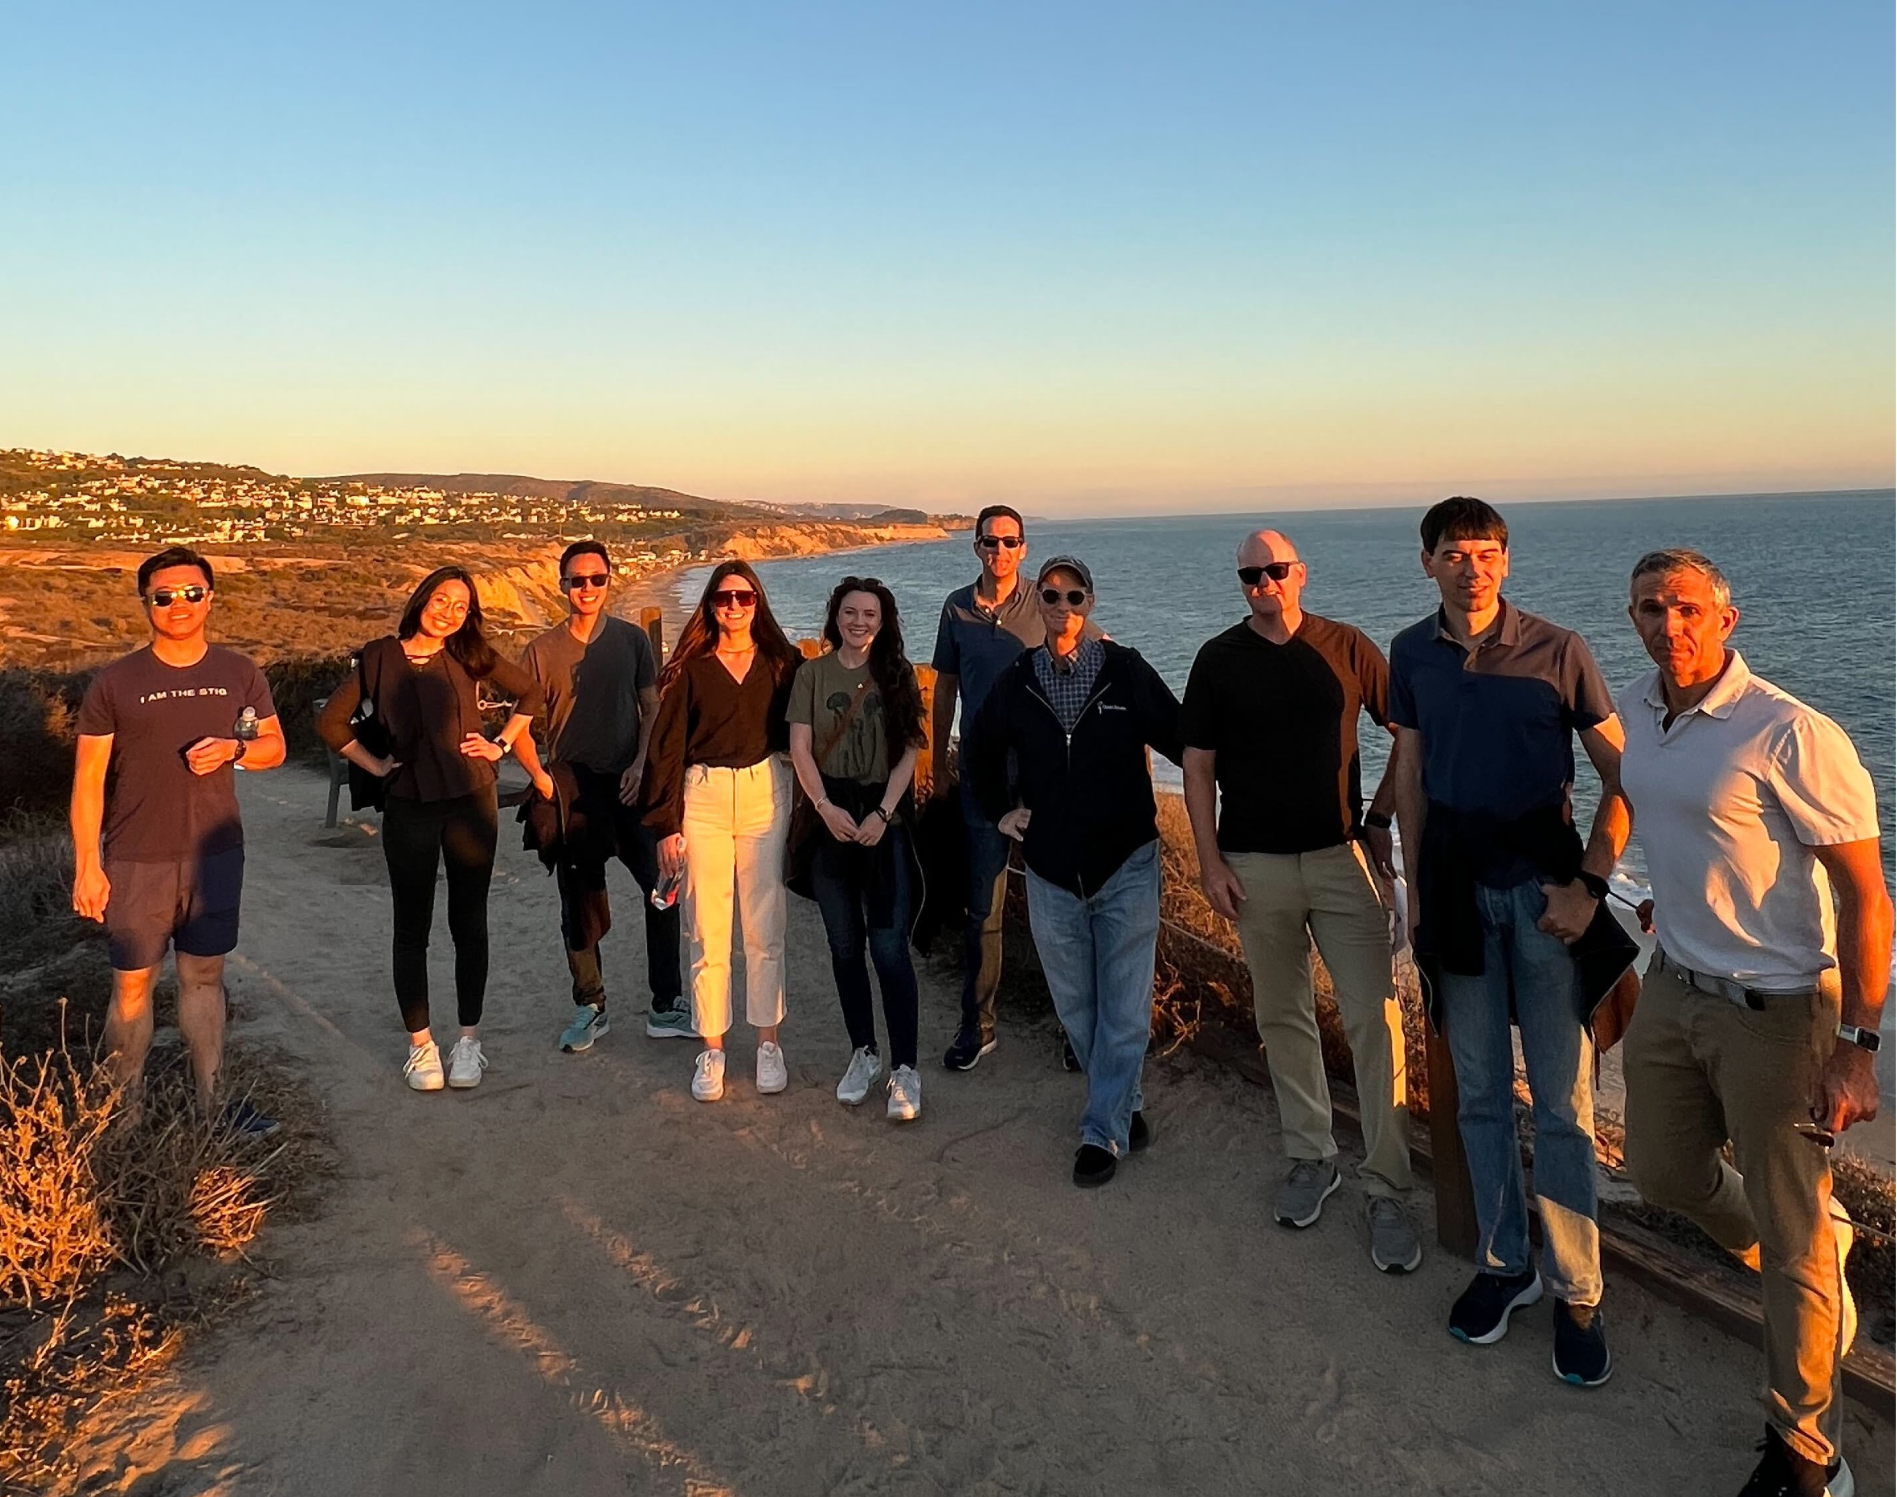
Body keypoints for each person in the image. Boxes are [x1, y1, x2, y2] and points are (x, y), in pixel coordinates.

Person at [1613, 549, 1890, 1497]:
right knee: (1658, 1170)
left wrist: (1859, 1044)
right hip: (1673, 984)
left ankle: (1809, 1450)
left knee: (1790, 1237)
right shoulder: (1641, 714)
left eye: (1685, 607)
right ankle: (1816, 1245)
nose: (1667, 624)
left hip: (1778, 1011)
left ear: (1726, 619)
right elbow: (1660, 816)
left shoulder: (1790, 732)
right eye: (1650, 608)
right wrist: (1666, 895)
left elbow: (1864, 896)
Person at [1388, 496, 1630, 1387]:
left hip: (1541, 894)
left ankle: (1577, 1286)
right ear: (1427, 563)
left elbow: (1621, 775)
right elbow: (1408, 774)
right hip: (1452, 891)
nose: (1471, 567)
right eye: (1453, 552)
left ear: (1506, 561)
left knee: (1563, 1103)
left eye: (1485, 551)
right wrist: (1413, 890)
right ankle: (1504, 1263)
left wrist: (1589, 885)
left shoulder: (1561, 650)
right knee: (1481, 1093)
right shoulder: (1410, 652)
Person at [1181, 528, 1421, 1273]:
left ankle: (1387, 1186)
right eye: (1249, 575)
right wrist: (1209, 860)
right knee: (1281, 1016)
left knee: (1375, 1021)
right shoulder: (1217, 659)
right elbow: (1196, 765)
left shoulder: (1346, 647)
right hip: (1252, 863)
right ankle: (1311, 1155)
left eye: (1273, 570)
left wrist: (1380, 818)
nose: (1262, 583)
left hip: (1340, 855)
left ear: (1300, 574)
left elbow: (1408, 736)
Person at [967, 557, 1183, 1186]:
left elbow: (1183, 739)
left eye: (1074, 596)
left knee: (1126, 1009)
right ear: (1042, 604)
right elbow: (977, 749)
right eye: (1053, 596)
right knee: (1078, 1006)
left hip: (1127, 863)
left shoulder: (1124, 670)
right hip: (1052, 870)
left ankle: (1101, 1132)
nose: (1062, 608)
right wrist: (1000, 812)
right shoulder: (1019, 679)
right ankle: (1125, 1102)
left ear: (1091, 601)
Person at [70, 546, 287, 1130]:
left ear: (211, 597)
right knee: (133, 986)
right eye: (163, 596)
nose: (179, 605)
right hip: (136, 857)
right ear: (146, 604)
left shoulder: (239, 672)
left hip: (214, 854)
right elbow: (88, 780)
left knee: (205, 978)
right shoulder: (116, 681)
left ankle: (213, 1108)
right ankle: (124, 1117)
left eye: (192, 592)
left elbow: (274, 748)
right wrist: (88, 865)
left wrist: (234, 749)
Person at [318, 567, 551, 1092]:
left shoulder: (470, 655)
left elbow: (531, 694)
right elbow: (330, 723)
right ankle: (421, 1047)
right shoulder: (379, 657)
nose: (449, 611)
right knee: (412, 927)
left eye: (461, 605)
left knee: (469, 923)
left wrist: (501, 744)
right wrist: (375, 767)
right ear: (422, 599)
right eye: (441, 599)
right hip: (409, 802)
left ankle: (469, 1040)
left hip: (471, 799)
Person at [929, 504, 1086, 1072]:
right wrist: (936, 759)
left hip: (1044, 779)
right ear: (976, 547)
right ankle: (979, 1024)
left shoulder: (1046, 600)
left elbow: (1085, 653)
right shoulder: (956, 608)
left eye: (1009, 542)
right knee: (983, 910)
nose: (999, 551)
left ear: (1024, 547)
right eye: (989, 542)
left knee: (1065, 906)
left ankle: (1077, 1028)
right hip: (982, 778)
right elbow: (945, 685)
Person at [639, 561, 798, 1103]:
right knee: (706, 929)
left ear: (758, 602)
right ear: (710, 605)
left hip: (763, 793)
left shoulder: (783, 663)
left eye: (744, 597)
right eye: (723, 598)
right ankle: (712, 1048)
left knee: (764, 925)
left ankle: (768, 1044)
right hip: (702, 797)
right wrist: (665, 824)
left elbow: (808, 730)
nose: (733, 607)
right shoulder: (691, 668)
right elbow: (666, 748)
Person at [520, 540, 687, 1053]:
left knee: (663, 885)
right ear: (562, 585)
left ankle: (666, 1004)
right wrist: (543, 779)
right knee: (579, 903)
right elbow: (520, 727)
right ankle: (591, 1006)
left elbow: (651, 707)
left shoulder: (633, 641)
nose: (586, 588)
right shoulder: (541, 650)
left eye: (596, 579)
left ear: (608, 581)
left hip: (629, 781)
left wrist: (642, 763)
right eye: (577, 580)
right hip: (571, 784)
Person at [787, 576, 929, 1122]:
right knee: (844, 946)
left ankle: (906, 1069)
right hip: (830, 816)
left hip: (881, 817)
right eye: (851, 612)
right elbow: (800, 747)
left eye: (871, 614)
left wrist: (884, 814)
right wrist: (824, 806)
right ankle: (864, 1053)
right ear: (835, 616)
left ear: (884, 620)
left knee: (889, 948)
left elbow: (910, 750)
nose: (860, 622)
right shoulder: (812, 675)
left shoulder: (898, 676)